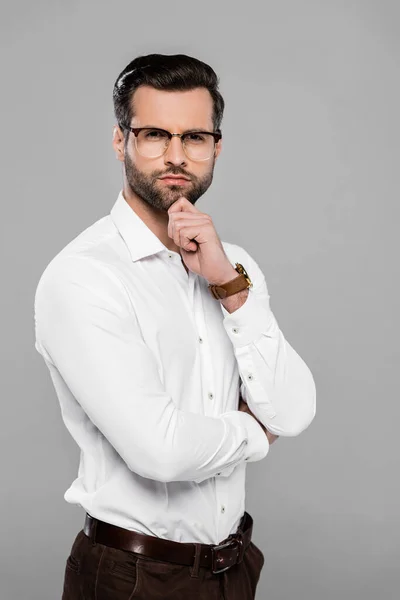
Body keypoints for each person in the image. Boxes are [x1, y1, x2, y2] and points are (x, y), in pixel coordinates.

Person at [34, 53, 316, 599]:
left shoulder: (232, 263)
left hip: (233, 568)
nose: (175, 156)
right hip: (133, 577)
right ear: (121, 142)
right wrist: (257, 430)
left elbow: (297, 408)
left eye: (194, 137)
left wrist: (227, 285)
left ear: (216, 147)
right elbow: (158, 451)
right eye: (154, 134)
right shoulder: (84, 276)